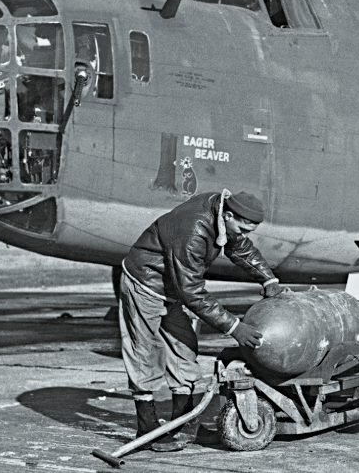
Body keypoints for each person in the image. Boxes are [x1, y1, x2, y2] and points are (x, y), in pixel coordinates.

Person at [119, 190, 281, 452]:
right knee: (144, 353)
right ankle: (147, 428)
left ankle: (183, 425)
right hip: (145, 283)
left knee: (184, 348)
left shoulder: (221, 214)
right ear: (228, 216)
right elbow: (192, 292)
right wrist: (234, 326)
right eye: (241, 228)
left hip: (172, 287)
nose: (242, 234)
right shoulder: (194, 231)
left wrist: (268, 279)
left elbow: (240, 247)